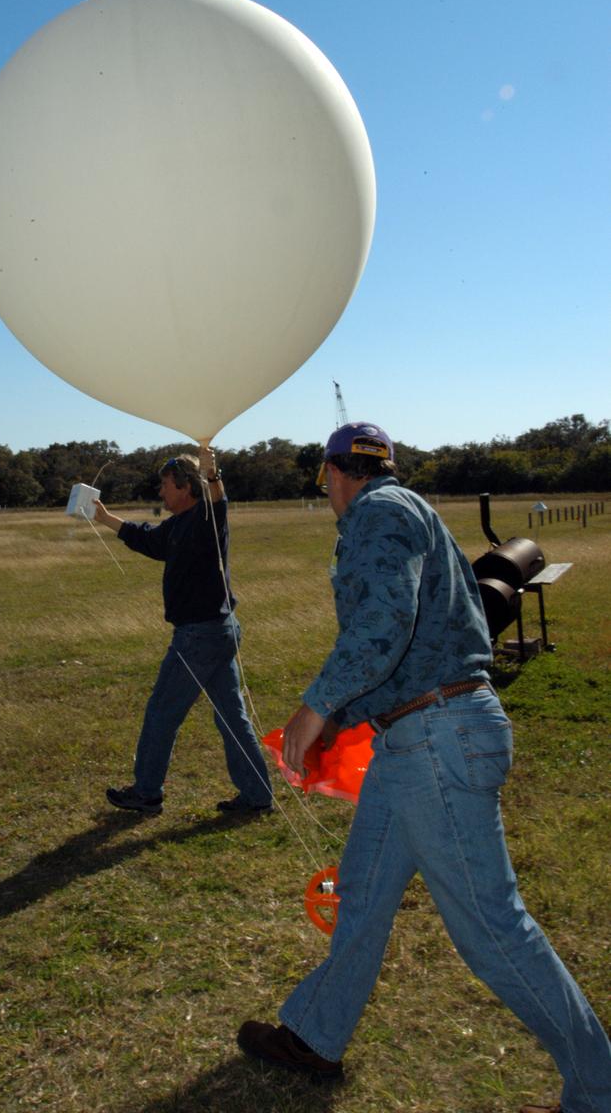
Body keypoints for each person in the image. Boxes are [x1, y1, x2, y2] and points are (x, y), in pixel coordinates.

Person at [237, 422, 611, 1113]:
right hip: (418, 738)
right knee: (362, 892)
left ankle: (598, 1090)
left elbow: (382, 620)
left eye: (324, 480)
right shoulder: (407, 510)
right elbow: (416, 641)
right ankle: (315, 1035)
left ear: (331, 474)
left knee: (491, 928)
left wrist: (315, 706)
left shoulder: (378, 512)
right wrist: (342, 721)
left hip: (435, 742)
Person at [94, 447, 272, 817]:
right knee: (231, 717)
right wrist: (107, 518)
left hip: (199, 637)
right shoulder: (178, 524)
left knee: (162, 712)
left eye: (164, 485)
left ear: (185, 486)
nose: (160, 492)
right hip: (217, 633)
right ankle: (256, 795)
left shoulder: (208, 516)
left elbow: (219, 502)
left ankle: (146, 793)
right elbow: (149, 540)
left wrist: (212, 473)